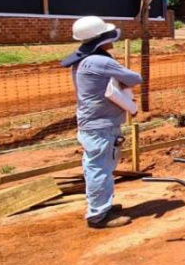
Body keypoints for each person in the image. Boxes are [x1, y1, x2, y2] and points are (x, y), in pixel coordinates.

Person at [61, 16, 142, 229]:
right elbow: (135, 78)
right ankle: (98, 215)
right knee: (100, 168)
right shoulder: (99, 61)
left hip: (92, 123)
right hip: (101, 125)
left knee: (97, 166)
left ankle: (102, 206)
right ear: (100, 38)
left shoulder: (82, 60)